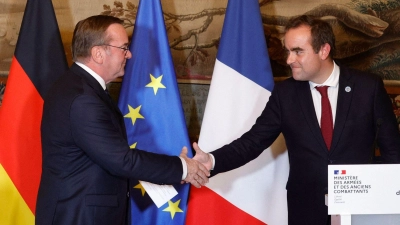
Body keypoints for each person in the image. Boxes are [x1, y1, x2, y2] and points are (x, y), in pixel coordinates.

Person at [192, 15, 400, 225]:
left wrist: (388, 199)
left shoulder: (368, 88)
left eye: (298, 51)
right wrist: (212, 160)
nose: (289, 59)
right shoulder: (285, 94)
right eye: (288, 51)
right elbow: (252, 142)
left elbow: (393, 151)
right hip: (306, 210)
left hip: (361, 209)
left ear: (323, 50)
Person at [35, 15, 209, 225]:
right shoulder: (83, 98)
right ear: (98, 53)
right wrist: (183, 167)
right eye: (124, 48)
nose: (129, 54)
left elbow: (110, 157)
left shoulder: (79, 87)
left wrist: (175, 169)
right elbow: (122, 160)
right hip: (79, 217)